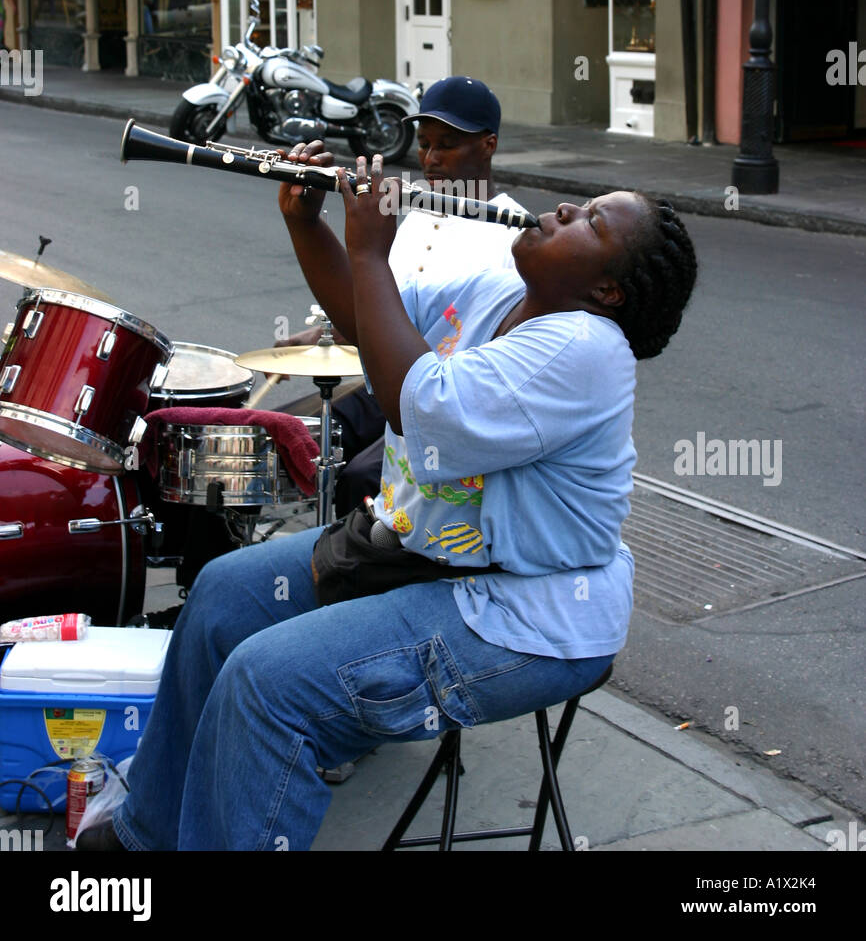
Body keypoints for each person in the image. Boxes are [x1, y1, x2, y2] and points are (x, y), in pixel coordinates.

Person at [79, 146, 697, 852]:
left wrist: (372, 250)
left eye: (591, 222)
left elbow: (419, 406)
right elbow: (363, 323)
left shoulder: (586, 348)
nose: (563, 210)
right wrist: (309, 223)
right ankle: (149, 833)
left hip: (523, 610)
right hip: (421, 562)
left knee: (269, 685)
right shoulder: (499, 294)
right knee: (221, 595)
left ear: (609, 289)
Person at [280, 76, 527, 514]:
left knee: (358, 476)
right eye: (425, 143)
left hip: (443, 399)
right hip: (382, 380)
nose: (430, 159)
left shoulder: (516, 234)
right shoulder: (412, 217)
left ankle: (363, 557)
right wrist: (322, 333)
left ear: (488, 145)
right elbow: (381, 305)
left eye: (447, 145)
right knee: (290, 431)